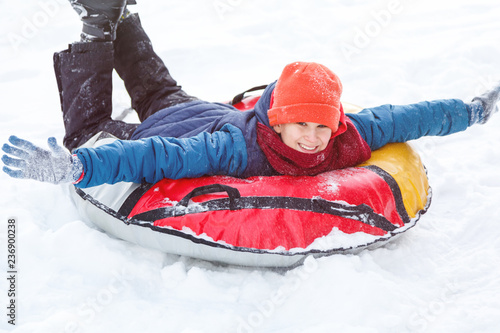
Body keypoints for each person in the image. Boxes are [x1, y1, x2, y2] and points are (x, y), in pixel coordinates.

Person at [2, 0, 499, 188]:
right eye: (300, 124)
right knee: (90, 132)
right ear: (277, 121)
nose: (312, 137)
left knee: (159, 89)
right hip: (183, 128)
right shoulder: (240, 150)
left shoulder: (350, 134)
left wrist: (472, 111)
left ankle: (122, 16)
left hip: (199, 110)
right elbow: (157, 157)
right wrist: (82, 167)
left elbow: (410, 117)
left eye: (321, 125)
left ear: (337, 122)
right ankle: (98, 28)